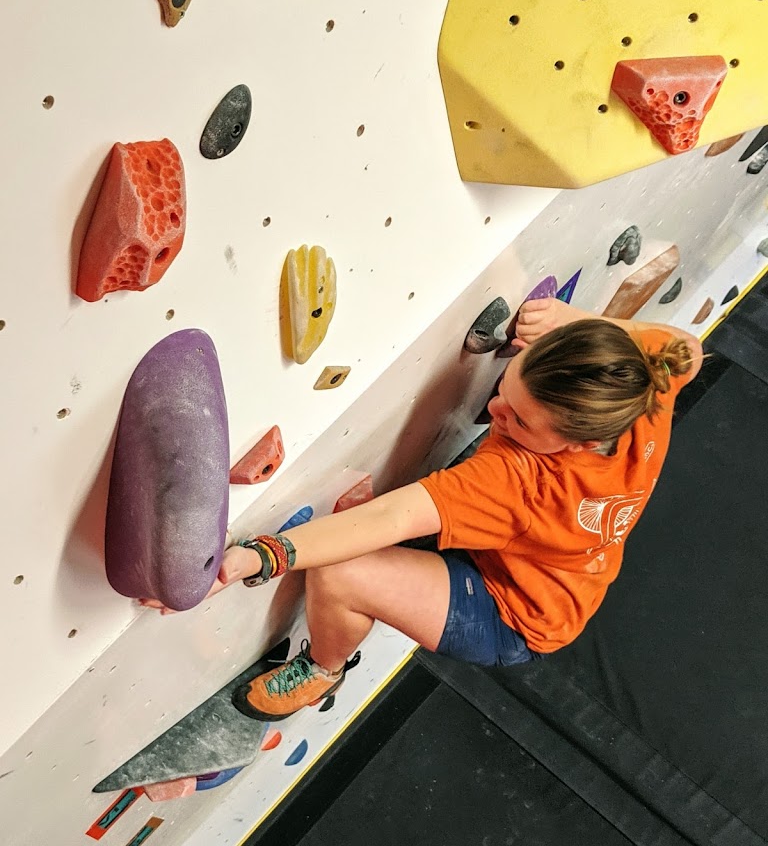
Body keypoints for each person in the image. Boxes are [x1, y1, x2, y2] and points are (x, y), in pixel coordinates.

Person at [139, 298, 702, 722]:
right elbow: (688, 348)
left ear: (578, 442)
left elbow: (389, 519)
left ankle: (323, 671)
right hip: (560, 571)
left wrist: (252, 559)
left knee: (339, 574)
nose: (497, 410)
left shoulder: (516, 482)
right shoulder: (645, 382)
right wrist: (581, 323)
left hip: (514, 614)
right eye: (507, 389)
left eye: (519, 421)